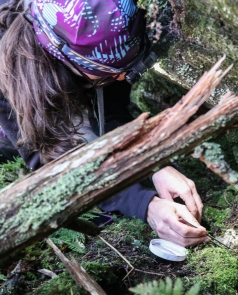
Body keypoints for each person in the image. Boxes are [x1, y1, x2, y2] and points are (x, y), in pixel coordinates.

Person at [0, 0, 209, 246]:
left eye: (127, 69)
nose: (122, 77)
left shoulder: (104, 22)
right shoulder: (12, 73)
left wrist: (155, 163)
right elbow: (52, 161)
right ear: (64, 57)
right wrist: (145, 205)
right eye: (108, 74)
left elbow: (110, 111)